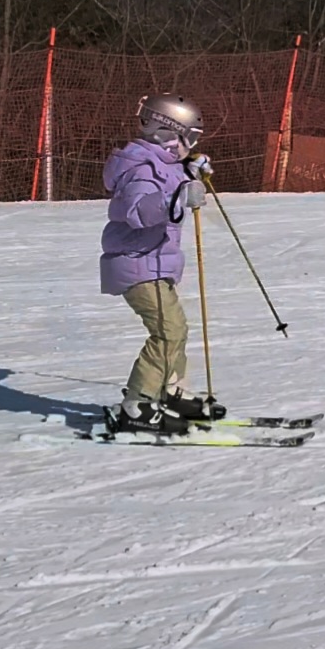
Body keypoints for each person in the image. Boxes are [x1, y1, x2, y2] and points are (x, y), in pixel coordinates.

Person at [99, 93, 216, 435]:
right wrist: (178, 197)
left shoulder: (160, 163)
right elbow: (138, 211)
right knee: (169, 332)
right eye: (189, 138)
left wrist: (189, 170)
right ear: (166, 133)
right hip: (137, 263)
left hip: (153, 263)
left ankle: (170, 391)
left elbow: (171, 178)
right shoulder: (141, 169)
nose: (190, 146)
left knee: (176, 329)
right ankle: (137, 405)